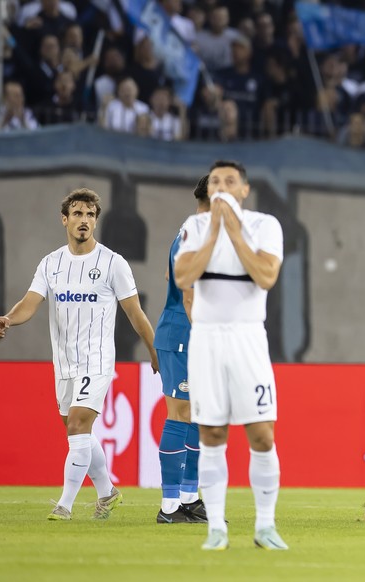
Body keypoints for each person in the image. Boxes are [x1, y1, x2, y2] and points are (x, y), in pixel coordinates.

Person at [0, 188, 158, 520]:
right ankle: (108, 492)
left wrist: (155, 353)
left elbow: (136, 314)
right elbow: (30, 303)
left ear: (96, 221)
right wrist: (9, 317)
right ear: (64, 219)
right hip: (64, 364)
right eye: (78, 214)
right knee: (77, 430)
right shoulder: (51, 264)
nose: (84, 221)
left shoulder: (113, 263)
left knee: (79, 424)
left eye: (91, 215)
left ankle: (64, 505)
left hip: (96, 362)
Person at [173, 160, 287, 550]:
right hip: (205, 339)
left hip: (248, 338)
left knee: (261, 434)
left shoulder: (265, 225)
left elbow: (266, 275)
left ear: (244, 189)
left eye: (230, 181)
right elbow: (183, 277)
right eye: (215, 181)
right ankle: (216, 528)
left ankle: (265, 527)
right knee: (212, 433)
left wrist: (234, 231)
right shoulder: (195, 226)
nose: (221, 187)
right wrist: (214, 233)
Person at [154, 175, 210, 524]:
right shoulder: (196, 232)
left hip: (191, 331)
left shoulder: (195, 230)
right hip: (183, 332)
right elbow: (187, 290)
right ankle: (169, 506)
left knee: (198, 416)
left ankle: (189, 498)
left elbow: (167, 276)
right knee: (179, 413)